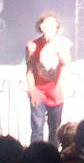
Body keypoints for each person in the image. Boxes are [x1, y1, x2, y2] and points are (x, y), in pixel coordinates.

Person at [26, 12, 72, 144]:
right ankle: (36, 154)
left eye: (52, 26)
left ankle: (53, 154)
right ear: (41, 27)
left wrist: (55, 44)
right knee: (37, 130)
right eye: (45, 26)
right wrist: (32, 91)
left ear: (57, 27)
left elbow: (66, 61)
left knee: (55, 131)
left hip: (55, 93)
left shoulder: (63, 43)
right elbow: (29, 70)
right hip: (39, 92)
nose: (48, 29)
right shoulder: (32, 46)